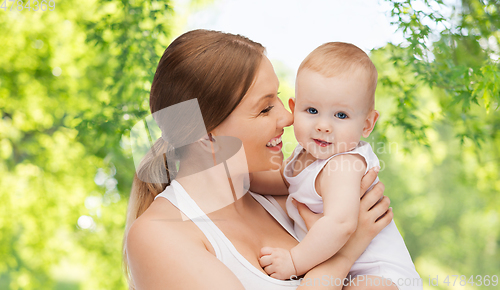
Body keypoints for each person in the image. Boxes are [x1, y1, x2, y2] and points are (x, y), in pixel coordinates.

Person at [123, 29, 394, 290]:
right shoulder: (159, 236)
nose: (288, 118)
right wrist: (343, 255)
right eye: (265, 109)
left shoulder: (283, 193)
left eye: (277, 98)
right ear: (206, 136)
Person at [251, 43, 421, 289]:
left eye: (341, 115)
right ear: (293, 108)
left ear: (367, 124)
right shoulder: (304, 154)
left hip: (380, 272)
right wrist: (243, 179)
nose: (323, 125)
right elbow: (283, 181)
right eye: (312, 110)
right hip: (343, 268)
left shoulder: (343, 165)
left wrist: (294, 261)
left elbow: (340, 224)